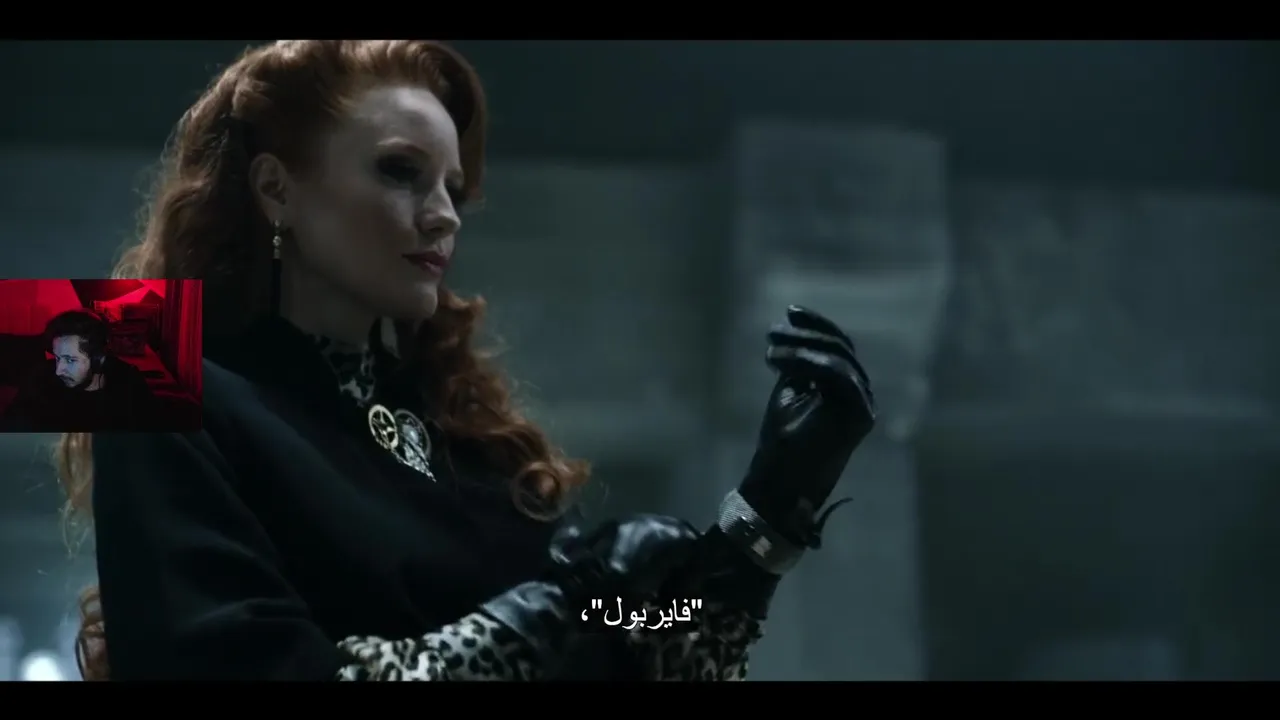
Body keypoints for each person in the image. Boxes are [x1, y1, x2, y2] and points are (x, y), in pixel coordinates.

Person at [54, 40, 877, 681]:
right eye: (401, 172)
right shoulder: (144, 367)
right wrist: (561, 606)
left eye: (452, 188)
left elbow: (637, 642)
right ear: (276, 189)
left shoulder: (462, 436)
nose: (444, 215)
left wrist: (764, 520)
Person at [1, 309, 158, 432]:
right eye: (57, 358)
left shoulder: (128, 386)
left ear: (98, 359)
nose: (59, 370)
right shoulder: (41, 378)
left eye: (70, 360)